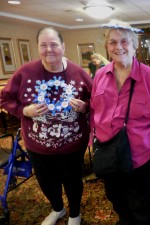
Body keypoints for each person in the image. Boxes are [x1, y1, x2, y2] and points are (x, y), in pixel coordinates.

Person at [0, 27, 93, 225]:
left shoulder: (78, 73)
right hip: (37, 145)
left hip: (72, 145)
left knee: (73, 182)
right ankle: (58, 209)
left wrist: (85, 107)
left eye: (54, 44)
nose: (49, 49)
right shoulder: (25, 72)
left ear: (63, 47)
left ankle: (75, 214)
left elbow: (96, 101)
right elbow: (5, 98)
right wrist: (24, 111)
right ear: (38, 48)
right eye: (43, 45)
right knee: (47, 182)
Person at [90, 19, 150, 225]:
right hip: (108, 151)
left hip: (142, 155)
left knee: (140, 203)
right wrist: (92, 139)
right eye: (112, 42)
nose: (118, 47)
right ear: (107, 48)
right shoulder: (100, 75)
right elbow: (94, 109)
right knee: (115, 197)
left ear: (135, 46)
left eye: (124, 41)